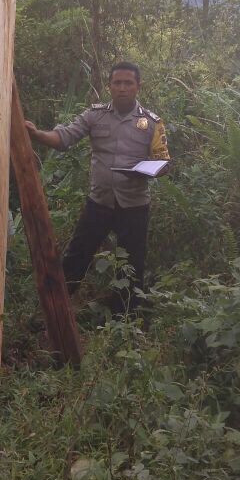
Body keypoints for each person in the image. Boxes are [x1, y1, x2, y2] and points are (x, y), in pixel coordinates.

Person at [24, 61, 170, 313]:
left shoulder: (152, 123)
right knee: (76, 256)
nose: (122, 88)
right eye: (117, 83)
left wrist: (152, 169)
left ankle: (124, 320)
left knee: (132, 265)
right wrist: (37, 134)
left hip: (134, 206)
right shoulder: (95, 115)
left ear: (138, 86)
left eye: (128, 83)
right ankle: (53, 310)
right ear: (109, 86)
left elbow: (162, 161)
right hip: (99, 203)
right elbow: (64, 138)